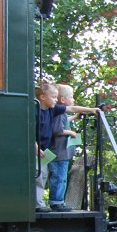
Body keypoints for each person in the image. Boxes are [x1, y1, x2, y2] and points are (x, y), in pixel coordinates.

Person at [35, 80, 96, 212]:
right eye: (53, 97)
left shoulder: (52, 110)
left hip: (45, 150)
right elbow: (29, 131)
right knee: (40, 176)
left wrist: (91, 110)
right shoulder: (35, 111)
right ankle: (39, 204)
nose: (56, 100)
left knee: (43, 175)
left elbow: (72, 109)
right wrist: (36, 147)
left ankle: (40, 203)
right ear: (43, 97)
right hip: (37, 149)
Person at [48, 84, 79, 212]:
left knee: (60, 176)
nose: (73, 99)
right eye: (71, 97)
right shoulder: (59, 113)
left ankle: (57, 200)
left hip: (60, 152)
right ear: (62, 100)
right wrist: (71, 133)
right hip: (59, 152)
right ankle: (57, 201)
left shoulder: (62, 114)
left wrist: (75, 117)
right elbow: (57, 130)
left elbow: (65, 120)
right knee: (59, 177)